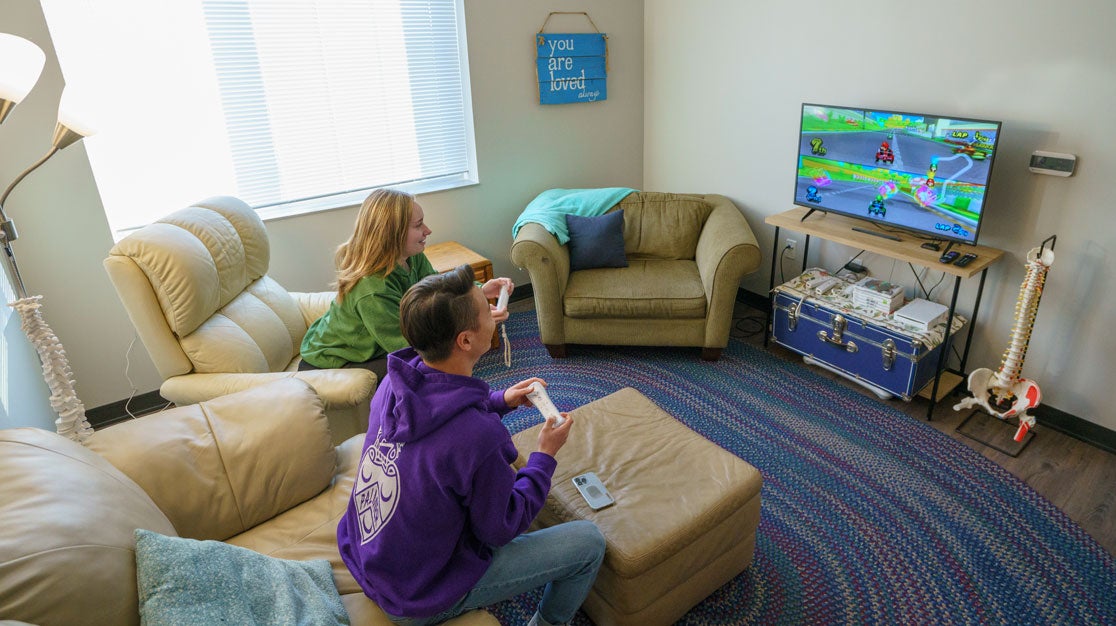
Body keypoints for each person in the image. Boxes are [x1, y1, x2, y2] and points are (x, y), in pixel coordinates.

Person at [337, 265, 606, 626]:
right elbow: (501, 528)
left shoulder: (394, 383)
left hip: (366, 556)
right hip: (416, 596)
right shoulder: (477, 437)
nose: (496, 315)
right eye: (487, 310)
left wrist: (501, 400)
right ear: (465, 340)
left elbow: (443, 417)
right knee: (588, 543)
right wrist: (544, 456)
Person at [299, 188, 513, 380]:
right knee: (429, 371)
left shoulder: (411, 256)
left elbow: (440, 290)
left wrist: (480, 291)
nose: (428, 230)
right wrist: (472, 321)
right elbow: (406, 347)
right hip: (340, 358)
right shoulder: (372, 290)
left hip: (382, 342)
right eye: (419, 225)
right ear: (392, 234)